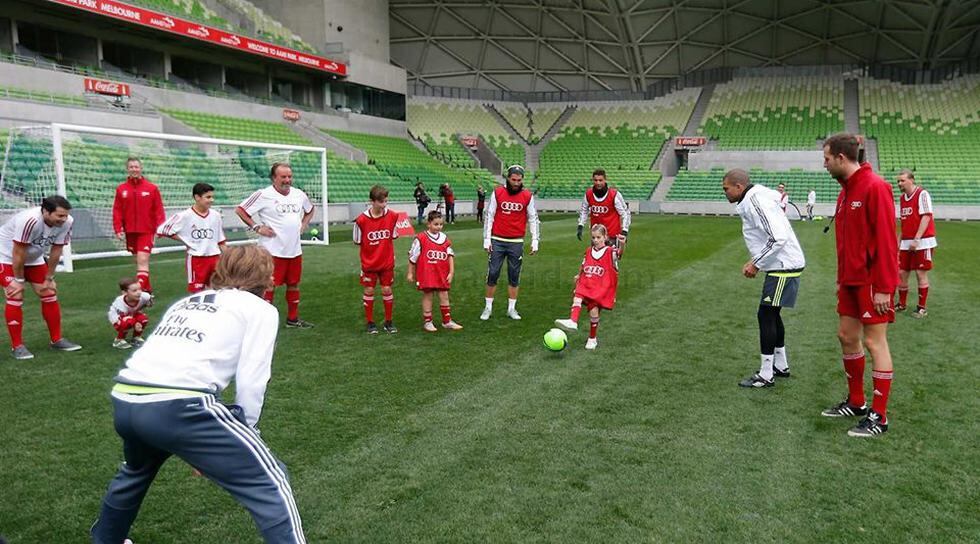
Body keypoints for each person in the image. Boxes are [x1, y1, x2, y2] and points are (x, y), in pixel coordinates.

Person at [90, 245, 306, 543]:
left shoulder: (188, 301)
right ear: (266, 276)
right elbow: (253, 378)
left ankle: (106, 540)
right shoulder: (261, 310)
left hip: (126, 397)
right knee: (271, 481)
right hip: (178, 405)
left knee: (135, 473)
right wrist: (247, 433)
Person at [821, 133, 899, 438]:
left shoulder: (876, 187)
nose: (824, 165)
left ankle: (880, 417)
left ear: (841, 158)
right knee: (846, 336)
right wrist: (842, 281)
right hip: (850, 282)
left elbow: (887, 241)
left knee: (875, 342)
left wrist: (884, 287)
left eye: (827, 159)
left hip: (871, 282)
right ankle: (856, 402)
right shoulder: (845, 192)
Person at [722, 169, 806, 388]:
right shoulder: (755, 197)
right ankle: (781, 365)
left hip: (782, 265)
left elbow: (778, 237)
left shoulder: (755, 201)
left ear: (739, 187)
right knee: (772, 313)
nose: (725, 193)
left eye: (726, 189)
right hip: (782, 264)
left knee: (766, 315)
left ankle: (767, 374)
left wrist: (755, 262)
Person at [0, 195, 82, 359]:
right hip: (7, 257)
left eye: (65, 215)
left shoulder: (67, 222)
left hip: (34, 258)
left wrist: (49, 277)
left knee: (49, 293)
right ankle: (17, 346)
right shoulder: (30, 220)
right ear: (45, 211)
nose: (63, 219)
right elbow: (18, 251)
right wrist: (18, 280)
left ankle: (56, 339)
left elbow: (56, 250)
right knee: (15, 294)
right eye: (59, 215)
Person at [236, 163, 315, 328]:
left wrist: (304, 224)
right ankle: (264, 323)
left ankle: (293, 319)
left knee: (293, 283)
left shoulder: (298, 194)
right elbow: (241, 210)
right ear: (274, 178)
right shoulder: (263, 194)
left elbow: (310, 210)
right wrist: (257, 227)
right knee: (268, 285)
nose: (287, 180)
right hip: (272, 251)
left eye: (289, 176)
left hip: (294, 250)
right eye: (283, 177)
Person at [481, 164, 540, 321]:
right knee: (493, 273)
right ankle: (488, 307)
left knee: (514, 275)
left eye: (519, 180)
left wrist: (535, 240)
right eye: (513, 179)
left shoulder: (527, 196)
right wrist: (487, 239)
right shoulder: (498, 193)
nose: (516, 183)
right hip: (498, 240)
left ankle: (511, 309)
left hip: (516, 241)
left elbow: (533, 218)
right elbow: (490, 215)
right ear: (508, 178)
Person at [554, 224, 620, 350]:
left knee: (594, 311)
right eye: (593, 237)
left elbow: (620, 254)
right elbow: (584, 263)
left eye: (598, 237)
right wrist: (578, 275)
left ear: (605, 237)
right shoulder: (589, 250)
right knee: (578, 294)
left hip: (601, 286)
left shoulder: (610, 251)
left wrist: (622, 244)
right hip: (588, 282)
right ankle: (573, 320)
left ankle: (592, 338)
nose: (595, 240)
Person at [157, 183, 226, 293]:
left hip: (215, 258)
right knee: (197, 292)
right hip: (196, 259)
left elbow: (220, 240)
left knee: (217, 290)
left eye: (212, 197)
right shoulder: (185, 216)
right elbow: (162, 230)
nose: (212, 200)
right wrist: (186, 240)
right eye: (208, 197)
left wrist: (228, 258)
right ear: (197, 197)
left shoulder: (216, 215)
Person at [112, 157, 166, 293]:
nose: (134, 169)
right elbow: (117, 210)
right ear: (127, 169)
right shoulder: (121, 189)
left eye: (136, 167)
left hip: (147, 230)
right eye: (131, 167)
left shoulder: (152, 188)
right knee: (138, 260)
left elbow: (158, 209)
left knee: (142, 259)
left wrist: (161, 228)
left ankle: (140, 292)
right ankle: (147, 288)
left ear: (141, 168)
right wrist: (118, 228)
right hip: (130, 231)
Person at [353, 185, 400, 334]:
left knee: (387, 289)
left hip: (386, 262)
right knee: (369, 290)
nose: (384, 205)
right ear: (372, 201)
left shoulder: (392, 216)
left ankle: (388, 321)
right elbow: (357, 240)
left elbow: (393, 235)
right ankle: (370, 322)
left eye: (386, 201)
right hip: (369, 263)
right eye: (381, 202)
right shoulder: (361, 220)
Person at [407, 210, 462, 332]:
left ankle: (447, 321)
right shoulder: (421, 238)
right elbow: (412, 257)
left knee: (444, 295)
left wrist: (451, 272)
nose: (438, 227)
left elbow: (450, 255)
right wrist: (410, 273)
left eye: (441, 224)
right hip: (427, 272)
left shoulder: (444, 238)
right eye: (436, 224)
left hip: (441, 272)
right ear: (429, 224)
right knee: (428, 295)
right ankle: (428, 321)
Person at [896, 170, 936, 318]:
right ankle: (901, 304)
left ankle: (921, 308)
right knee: (902, 273)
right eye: (898, 182)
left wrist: (917, 239)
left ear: (911, 180)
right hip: (906, 242)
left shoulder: (922, 194)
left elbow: (926, 216)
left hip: (923, 241)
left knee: (920, 273)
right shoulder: (902, 198)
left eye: (902, 180)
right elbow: (904, 222)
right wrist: (899, 240)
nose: (899, 184)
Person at [576, 169, 630, 249]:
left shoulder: (614, 195)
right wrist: (580, 225)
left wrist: (625, 231)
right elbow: (584, 211)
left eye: (600, 180)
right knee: (595, 260)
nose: (598, 183)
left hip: (612, 236)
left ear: (605, 180)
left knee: (611, 260)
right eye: (595, 180)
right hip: (596, 236)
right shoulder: (588, 194)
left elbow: (625, 213)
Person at [108, 277, 154, 349]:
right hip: (117, 318)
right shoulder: (120, 303)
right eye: (134, 290)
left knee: (143, 319)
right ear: (125, 292)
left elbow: (150, 301)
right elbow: (123, 318)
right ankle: (119, 340)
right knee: (128, 321)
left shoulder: (144, 296)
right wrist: (135, 323)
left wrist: (149, 303)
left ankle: (136, 338)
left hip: (132, 313)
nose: (139, 292)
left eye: (140, 289)